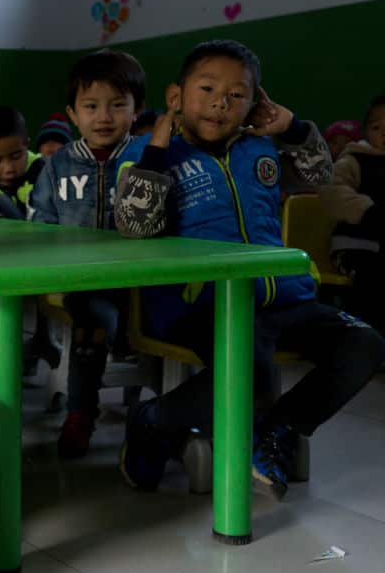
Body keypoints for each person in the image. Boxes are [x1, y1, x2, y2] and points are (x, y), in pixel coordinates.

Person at [114, 39, 385, 499]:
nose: (221, 102)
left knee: (366, 343)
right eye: (207, 88)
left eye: (237, 94)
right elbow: (134, 226)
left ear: (255, 103)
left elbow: (320, 179)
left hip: (284, 298)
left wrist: (294, 128)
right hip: (203, 304)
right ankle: (152, 421)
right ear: (176, 95)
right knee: (252, 378)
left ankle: (277, 431)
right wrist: (158, 148)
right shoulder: (144, 153)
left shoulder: (260, 150)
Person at [28, 48, 146, 459]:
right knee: (92, 329)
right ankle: (80, 413)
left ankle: (159, 416)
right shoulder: (57, 164)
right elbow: (40, 223)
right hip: (82, 284)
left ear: (136, 110)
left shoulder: (146, 159)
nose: (104, 116)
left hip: (144, 279)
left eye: (117, 105)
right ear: (72, 113)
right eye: (91, 106)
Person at [321, 95, 385, 332]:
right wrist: (367, 211)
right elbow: (331, 190)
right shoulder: (354, 160)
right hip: (356, 247)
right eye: (377, 127)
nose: (384, 133)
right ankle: (368, 338)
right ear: (366, 132)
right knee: (373, 279)